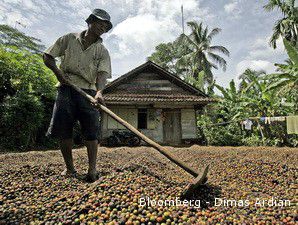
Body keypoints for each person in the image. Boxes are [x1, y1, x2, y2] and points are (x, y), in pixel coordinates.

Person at [43, 9, 112, 182]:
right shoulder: (68, 39)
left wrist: (99, 92)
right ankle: (70, 169)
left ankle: (92, 169)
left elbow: (102, 74)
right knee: (63, 129)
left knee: (91, 130)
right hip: (66, 87)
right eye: (100, 23)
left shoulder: (102, 51)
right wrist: (58, 74)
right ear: (90, 22)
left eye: (105, 26)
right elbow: (47, 56)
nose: (102, 28)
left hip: (88, 90)